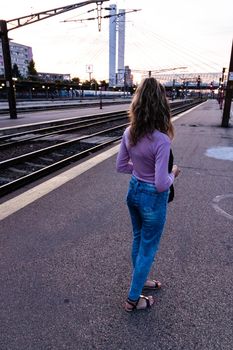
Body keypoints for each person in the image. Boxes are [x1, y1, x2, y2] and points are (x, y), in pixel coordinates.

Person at [116, 77, 180, 312]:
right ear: (161, 104)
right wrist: (173, 173)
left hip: (133, 192)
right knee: (148, 247)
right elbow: (162, 184)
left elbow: (121, 166)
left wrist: (141, 171)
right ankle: (133, 299)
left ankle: (141, 280)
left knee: (138, 239)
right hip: (153, 199)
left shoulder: (129, 132)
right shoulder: (162, 140)